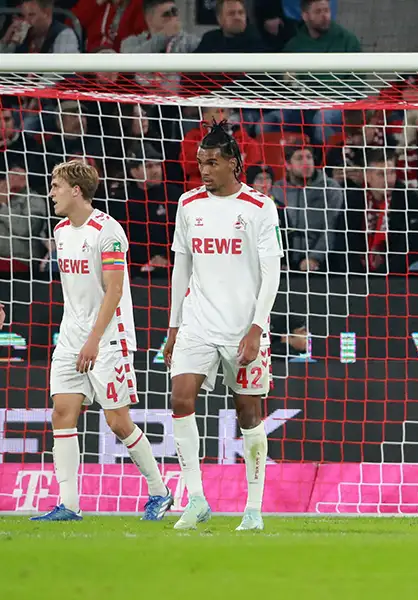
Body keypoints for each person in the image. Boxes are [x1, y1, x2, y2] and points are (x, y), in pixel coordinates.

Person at [32, 160, 172, 522]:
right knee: (62, 412)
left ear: (76, 191)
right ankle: (69, 505)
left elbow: (114, 289)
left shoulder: (107, 232)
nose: (52, 193)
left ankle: (160, 491)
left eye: (56, 186)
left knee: (118, 422)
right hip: (71, 338)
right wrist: (76, 336)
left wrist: (94, 339)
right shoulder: (62, 231)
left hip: (109, 338)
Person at [164, 122, 283, 531]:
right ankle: (195, 499)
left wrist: (256, 326)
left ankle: (253, 509)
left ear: (234, 164)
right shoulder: (188, 204)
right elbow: (182, 266)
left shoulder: (259, 207)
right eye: (201, 163)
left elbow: (272, 273)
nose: (205, 171)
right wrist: (175, 325)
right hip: (197, 320)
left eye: (212, 163)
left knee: (248, 412)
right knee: (181, 397)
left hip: (242, 326)